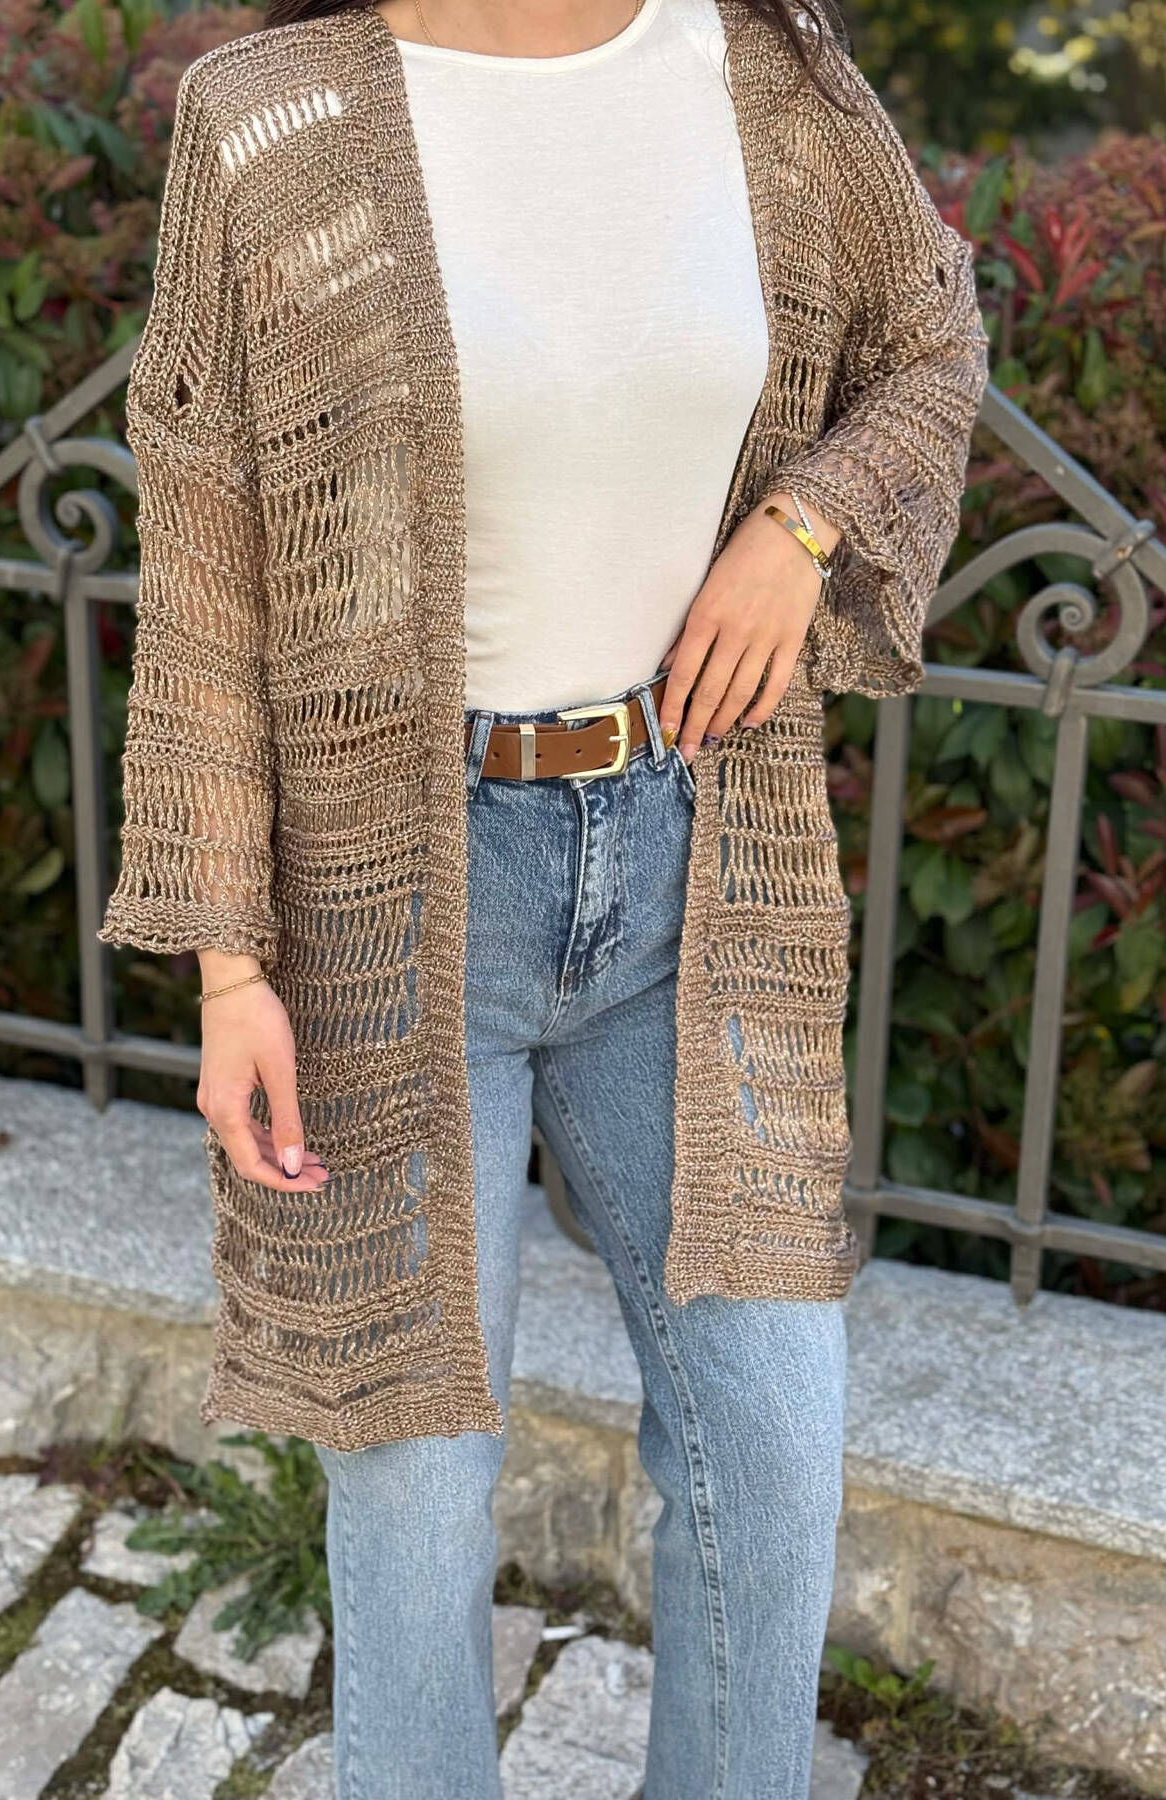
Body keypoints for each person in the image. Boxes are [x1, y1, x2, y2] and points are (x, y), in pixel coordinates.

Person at [97, 0, 990, 1793]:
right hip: (388, 896)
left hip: (695, 861)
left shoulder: (758, 67)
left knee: (770, 1441)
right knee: (417, 1484)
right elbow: (209, 564)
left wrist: (803, 526)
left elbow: (932, 337)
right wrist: (229, 968)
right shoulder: (269, 121)